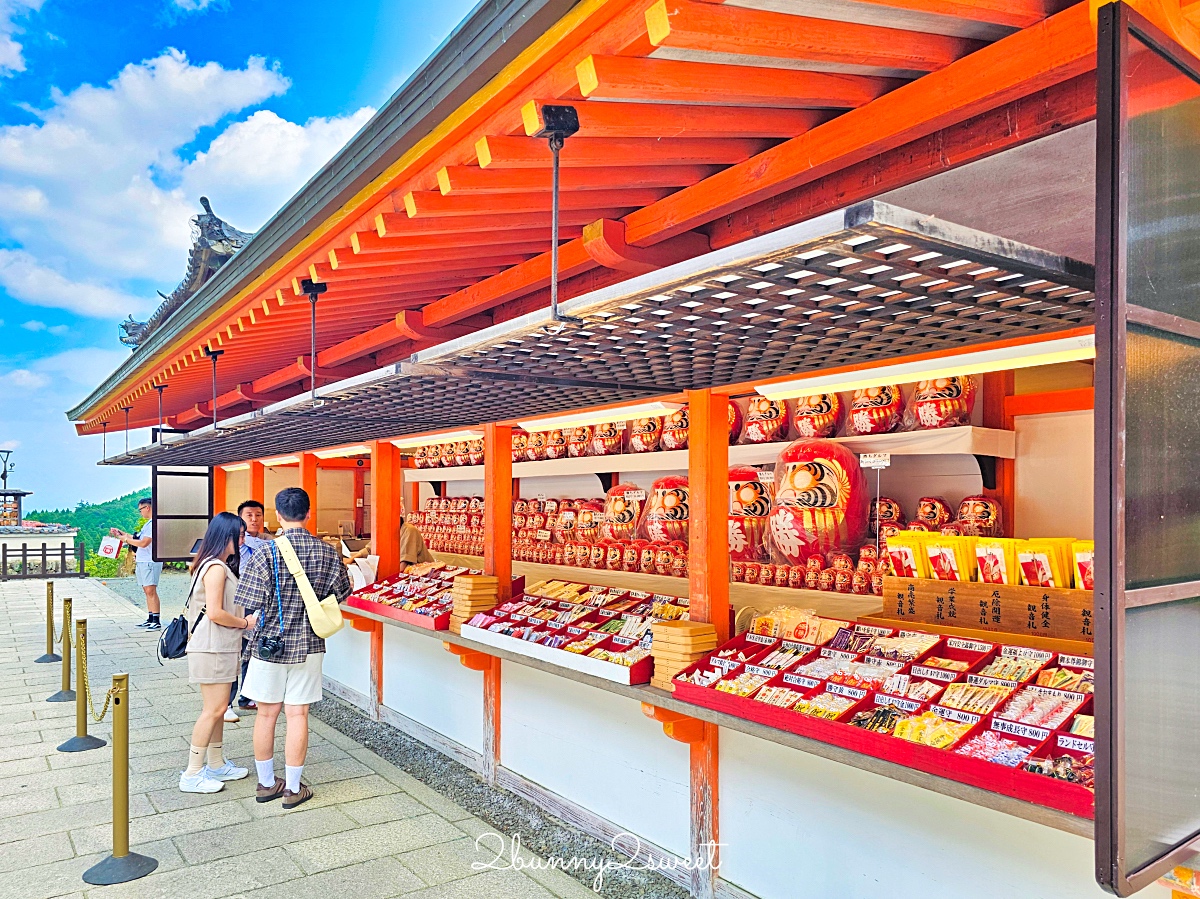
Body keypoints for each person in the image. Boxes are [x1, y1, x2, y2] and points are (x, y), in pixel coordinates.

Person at [234, 487, 350, 809]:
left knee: (266, 713)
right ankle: (294, 788)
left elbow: (248, 602)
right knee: (298, 713)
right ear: (309, 514)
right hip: (310, 643)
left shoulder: (264, 553)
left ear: (277, 516)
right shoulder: (328, 553)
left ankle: (266, 783)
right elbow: (341, 594)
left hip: (269, 645)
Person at [179, 512, 258, 793]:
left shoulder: (212, 564)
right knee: (212, 710)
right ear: (227, 536)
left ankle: (215, 762)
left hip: (218, 646)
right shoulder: (215, 568)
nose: (243, 540)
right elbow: (215, 612)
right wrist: (245, 622)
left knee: (219, 708)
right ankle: (192, 772)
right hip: (213, 646)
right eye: (240, 535)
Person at [111, 497, 162, 631]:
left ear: (147, 508)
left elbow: (144, 543)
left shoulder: (153, 524)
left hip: (150, 561)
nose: (140, 513)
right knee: (147, 590)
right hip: (143, 560)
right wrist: (123, 534)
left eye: (140, 510)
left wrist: (126, 539)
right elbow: (137, 538)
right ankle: (151, 617)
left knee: (151, 590)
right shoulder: (147, 524)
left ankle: (156, 620)